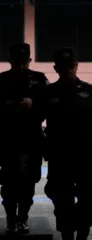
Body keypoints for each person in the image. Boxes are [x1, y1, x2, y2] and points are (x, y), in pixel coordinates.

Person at [34, 47, 92, 240]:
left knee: (88, 198)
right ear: (56, 69)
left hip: (84, 156)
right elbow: (33, 123)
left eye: (71, 67)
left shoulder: (90, 92)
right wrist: (39, 147)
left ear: (76, 66)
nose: (68, 71)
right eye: (63, 68)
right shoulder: (48, 93)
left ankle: (82, 234)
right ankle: (67, 235)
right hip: (59, 157)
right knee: (62, 200)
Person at [0, 43, 49, 234]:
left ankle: (23, 218)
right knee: (9, 181)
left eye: (24, 62)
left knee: (29, 182)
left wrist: (33, 103)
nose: (21, 66)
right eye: (17, 62)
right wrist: (9, 106)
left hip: (31, 138)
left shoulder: (39, 80)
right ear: (10, 61)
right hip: (8, 138)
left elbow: (50, 105)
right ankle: (11, 219)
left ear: (29, 60)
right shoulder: (2, 80)